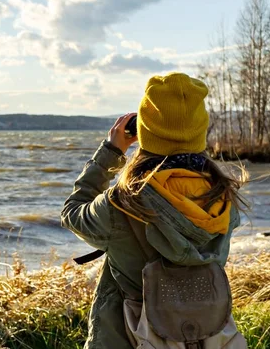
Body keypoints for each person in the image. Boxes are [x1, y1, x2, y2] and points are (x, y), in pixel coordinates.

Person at [61, 72, 247, 349]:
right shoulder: (223, 198)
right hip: (204, 336)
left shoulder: (123, 202)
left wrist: (110, 153)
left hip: (126, 338)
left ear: (144, 132)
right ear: (199, 131)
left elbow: (72, 213)